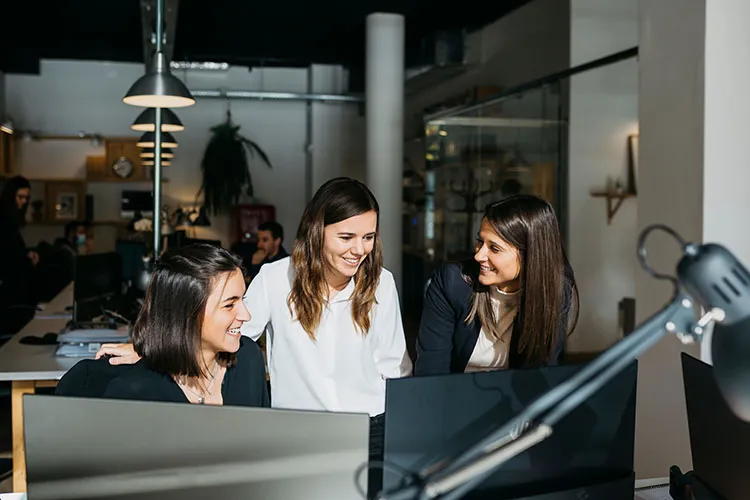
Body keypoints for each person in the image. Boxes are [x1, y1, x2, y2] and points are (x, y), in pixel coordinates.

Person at [97, 177, 411, 498]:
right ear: (317, 231)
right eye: (346, 237)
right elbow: (226, 330)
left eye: (368, 237)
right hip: (298, 433)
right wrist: (152, 346)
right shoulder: (277, 278)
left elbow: (393, 366)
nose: (359, 249)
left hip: (370, 429)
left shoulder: (381, 282)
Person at [414, 194, 578, 376]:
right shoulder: (453, 282)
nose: (478, 256)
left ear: (530, 255)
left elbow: (541, 372)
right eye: (480, 242)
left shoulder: (555, 288)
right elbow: (431, 369)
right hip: (452, 394)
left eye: (494, 248)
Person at [102, 244, 269, 407]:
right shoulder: (132, 393)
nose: (246, 315)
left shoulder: (249, 359)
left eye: (242, 300)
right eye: (229, 305)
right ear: (187, 314)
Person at [0, 176, 38, 335]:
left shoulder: (10, 220)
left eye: (26, 198)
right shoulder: (4, 220)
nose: (23, 202)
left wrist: (26, 253)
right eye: (20, 197)